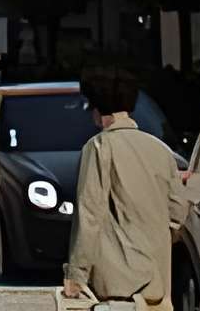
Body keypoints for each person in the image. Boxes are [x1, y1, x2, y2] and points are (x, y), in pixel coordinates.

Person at [59, 66, 184, 310]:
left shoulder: (99, 147)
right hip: (157, 282)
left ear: (96, 109)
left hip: (117, 285)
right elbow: (177, 212)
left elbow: (90, 214)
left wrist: (76, 274)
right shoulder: (160, 150)